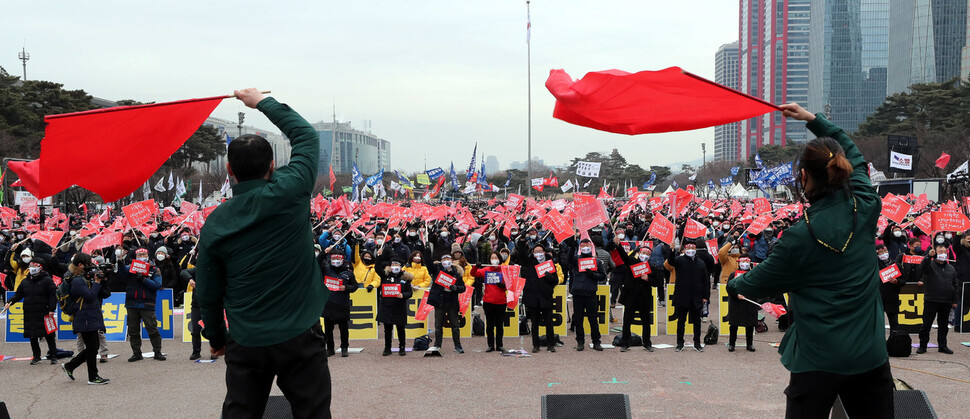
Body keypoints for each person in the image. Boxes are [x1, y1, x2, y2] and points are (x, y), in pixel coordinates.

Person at [728, 103, 894, 418]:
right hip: (869, 354)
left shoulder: (798, 238)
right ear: (842, 168)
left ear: (803, 176)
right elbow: (855, 154)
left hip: (818, 358)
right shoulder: (867, 205)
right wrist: (814, 120)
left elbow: (759, 282)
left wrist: (735, 283)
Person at [195, 89, 332, 417]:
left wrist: (215, 336)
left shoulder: (215, 224)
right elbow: (305, 135)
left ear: (229, 170)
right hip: (300, 334)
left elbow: (208, 292)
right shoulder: (291, 189)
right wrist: (259, 102)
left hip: (246, 338)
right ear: (273, 164)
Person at [61, 253, 110, 385]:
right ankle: (93, 377)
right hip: (84, 317)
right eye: (88, 264)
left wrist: (103, 280)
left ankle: (70, 366)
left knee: (93, 347)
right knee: (92, 347)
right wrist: (97, 282)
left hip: (90, 316)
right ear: (80, 265)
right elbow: (90, 296)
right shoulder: (77, 280)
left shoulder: (83, 277)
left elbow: (105, 294)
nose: (90, 267)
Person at [608, 240, 661, 352]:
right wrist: (618, 245)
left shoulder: (652, 267)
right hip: (631, 296)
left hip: (644, 297)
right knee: (627, 321)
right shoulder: (632, 262)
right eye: (643, 253)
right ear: (639, 253)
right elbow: (624, 257)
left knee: (646, 322)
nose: (645, 256)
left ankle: (647, 343)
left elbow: (658, 282)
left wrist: (648, 279)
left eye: (647, 254)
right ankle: (625, 343)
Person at [3, 257, 58, 365]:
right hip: (30, 312)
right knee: (32, 335)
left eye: (34, 266)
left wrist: (52, 309)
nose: (32, 268)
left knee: (49, 335)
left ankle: (53, 355)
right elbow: (18, 295)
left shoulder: (47, 280)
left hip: (45, 312)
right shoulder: (25, 282)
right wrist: (10, 302)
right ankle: (36, 356)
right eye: (31, 266)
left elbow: (52, 296)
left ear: (40, 268)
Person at [666, 242, 714, 352]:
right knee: (681, 322)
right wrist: (672, 251)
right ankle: (679, 343)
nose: (690, 249)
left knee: (697, 322)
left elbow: (706, 281)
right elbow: (670, 261)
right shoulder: (679, 260)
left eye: (692, 248)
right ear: (684, 249)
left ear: (696, 249)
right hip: (682, 296)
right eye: (688, 247)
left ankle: (697, 343)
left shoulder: (701, 263)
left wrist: (705, 296)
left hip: (696, 297)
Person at [121, 248, 165, 362]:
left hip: (147, 304)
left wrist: (143, 279)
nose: (142, 256)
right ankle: (136, 353)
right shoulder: (130, 268)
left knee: (152, 329)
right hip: (132, 303)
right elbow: (120, 275)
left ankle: (157, 351)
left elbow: (157, 285)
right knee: (133, 330)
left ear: (148, 255)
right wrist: (119, 262)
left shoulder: (154, 269)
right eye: (139, 255)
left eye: (144, 254)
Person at [518, 242, 560, 353]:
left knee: (549, 323)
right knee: (534, 323)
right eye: (536, 251)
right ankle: (535, 345)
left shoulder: (549, 264)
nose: (538, 253)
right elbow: (521, 254)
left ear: (544, 252)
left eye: (540, 251)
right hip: (532, 298)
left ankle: (550, 344)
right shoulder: (529, 263)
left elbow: (555, 280)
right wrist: (521, 241)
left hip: (546, 297)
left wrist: (549, 276)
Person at [917, 244, 958, 354]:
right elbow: (922, 267)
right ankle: (923, 345)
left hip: (946, 301)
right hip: (931, 299)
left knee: (944, 326)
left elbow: (955, 285)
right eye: (940, 251)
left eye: (945, 252)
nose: (943, 254)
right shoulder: (930, 265)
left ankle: (943, 346)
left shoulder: (951, 268)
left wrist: (955, 300)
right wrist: (928, 256)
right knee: (926, 325)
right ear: (935, 252)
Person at [566, 238, 606, 351]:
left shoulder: (596, 261)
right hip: (578, 293)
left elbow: (603, 275)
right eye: (582, 246)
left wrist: (593, 274)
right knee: (578, 319)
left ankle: (596, 341)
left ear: (591, 246)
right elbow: (568, 260)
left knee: (593, 319)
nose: (585, 247)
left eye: (587, 245)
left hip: (590, 293)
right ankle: (580, 341)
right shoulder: (576, 259)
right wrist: (572, 247)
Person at [426, 253, 467, 353]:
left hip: (452, 302)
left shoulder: (456, 272)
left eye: (448, 259)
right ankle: (437, 345)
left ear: (452, 260)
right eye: (444, 259)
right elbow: (429, 264)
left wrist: (456, 288)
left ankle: (458, 346)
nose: (446, 261)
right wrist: (427, 250)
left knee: (455, 325)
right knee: (438, 325)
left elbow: (463, 288)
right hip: (440, 301)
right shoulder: (437, 269)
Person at [321, 250, 358, 357]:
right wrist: (324, 252)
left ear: (342, 259)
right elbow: (317, 262)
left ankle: (344, 347)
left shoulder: (348, 272)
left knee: (343, 328)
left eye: (338, 259)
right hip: (329, 303)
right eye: (333, 259)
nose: (335, 261)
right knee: (328, 329)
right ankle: (330, 348)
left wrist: (346, 287)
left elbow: (355, 286)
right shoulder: (326, 269)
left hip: (342, 304)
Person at [374, 257, 413, 356]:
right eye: (393, 265)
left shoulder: (405, 278)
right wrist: (379, 256)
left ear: (400, 266)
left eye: (397, 265)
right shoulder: (385, 276)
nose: (394, 267)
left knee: (400, 328)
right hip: (386, 305)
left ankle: (402, 347)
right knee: (387, 328)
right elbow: (377, 268)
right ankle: (387, 347)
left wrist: (403, 295)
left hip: (399, 306)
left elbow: (410, 292)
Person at [471, 252, 509, 352]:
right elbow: (473, 273)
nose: (494, 259)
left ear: (500, 259)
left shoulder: (504, 270)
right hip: (488, 301)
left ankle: (500, 345)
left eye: (496, 257)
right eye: (492, 258)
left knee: (500, 325)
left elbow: (510, 284)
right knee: (490, 325)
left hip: (501, 302)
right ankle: (490, 345)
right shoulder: (486, 270)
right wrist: (476, 266)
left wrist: (503, 286)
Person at [726, 257, 757, 352]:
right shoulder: (733, 274)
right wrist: (736, 295)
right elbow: (729, 288)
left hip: (749, 302)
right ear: (739, 263)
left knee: (750, 325)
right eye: (743, 262)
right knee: (734, 325)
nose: (745, 264)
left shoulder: (753, 274)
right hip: (736, 303)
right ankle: (732, 344)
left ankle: (749, 344)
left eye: (747, 262)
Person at [876, 244, 904, 331]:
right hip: (879, 297)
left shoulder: (896, 265)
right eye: (881, 252)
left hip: (892, 297)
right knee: (878, 323)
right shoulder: (874, 266)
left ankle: (894, 340)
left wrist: (897, 281)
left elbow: (903, 280)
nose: (884, 253)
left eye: (885, 251)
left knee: (894, 323)